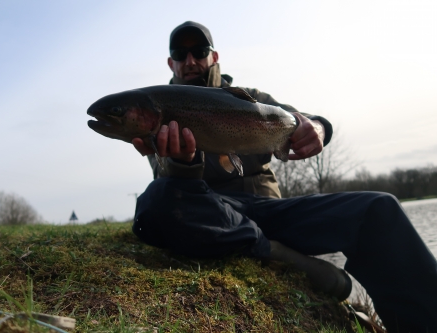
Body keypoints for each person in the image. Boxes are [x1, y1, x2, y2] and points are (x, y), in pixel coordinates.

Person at [131, 21, 437, 332]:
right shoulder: (157, 110)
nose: (190, 60)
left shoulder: (249, 98)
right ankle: (272, 251)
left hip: (266, 211)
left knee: (379, 209)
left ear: (214, 56)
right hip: (210, 215)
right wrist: (184, 162)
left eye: (198, 51)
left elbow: (304, 119)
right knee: (154, 202)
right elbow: (172, 191)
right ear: (171, 62)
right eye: (180, 54)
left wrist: (318, 128)